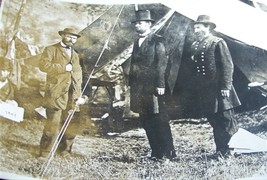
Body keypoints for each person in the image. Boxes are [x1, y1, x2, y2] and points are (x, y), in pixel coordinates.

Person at [183, 15, 241, 159]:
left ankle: (232, 149)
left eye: (198, 27)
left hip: (220, 89)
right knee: (214, 120)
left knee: (226, 120)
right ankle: (221, 150)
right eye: (194, 28)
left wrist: (226, 87)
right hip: (206, 90)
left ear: (207, 27)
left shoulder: (217, 42)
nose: (195, 30)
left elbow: (227, 66)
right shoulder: (195, 45)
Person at [128, 10, 176, 160]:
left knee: (159, 120)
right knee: (146, 120)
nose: (137, 26)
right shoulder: (137, 41)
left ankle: (168, 153)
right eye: (136, 23)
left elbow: (162, 65)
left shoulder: (158, 40)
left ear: (149, 24)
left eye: (140, 23)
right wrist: (131, 84)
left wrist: (160, 84)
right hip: (139, 89)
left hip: (155, 88)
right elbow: (134, 64)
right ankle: (156, 152)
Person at [38, 27, 86, 158]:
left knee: (70, 126)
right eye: (69, 36)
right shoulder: (51, 49)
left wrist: (79, 95)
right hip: (56, 94)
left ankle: (64, 151)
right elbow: (43, 66)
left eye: (75, 38)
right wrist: (63, 68)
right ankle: (45, 153)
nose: (72, 39)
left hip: (72, 96)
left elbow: (79, 76)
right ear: (63, 35)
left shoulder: (76, 55)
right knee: (52, 126)